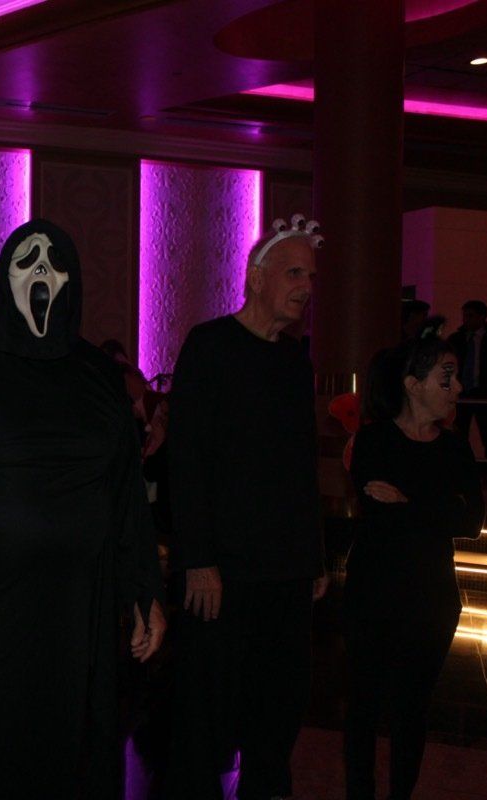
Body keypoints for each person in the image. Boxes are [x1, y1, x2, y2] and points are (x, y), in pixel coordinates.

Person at [0, 218, 166, 800]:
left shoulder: (99, 374)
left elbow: (125, 493)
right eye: (28, 259)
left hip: (76, 617)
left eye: (55, 260)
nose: (42, 269)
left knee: (66, 757)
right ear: (3, 276)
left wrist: (143, 590)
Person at [167, 214, 327, 800]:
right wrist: (198, 560)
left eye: (310, 276)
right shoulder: (209, 346)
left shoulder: (296, 361)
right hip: (223, 572)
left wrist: (314, 556)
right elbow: (187, 461)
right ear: (256, 278)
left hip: (286, 570)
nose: (305, 287)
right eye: (293, 273)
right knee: (206, 711)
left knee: (278, 708)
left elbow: (302, 467)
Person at [344, 336, 484, 800]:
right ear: (413, 384)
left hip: (433, 599)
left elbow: (472, 521)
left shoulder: (455, 448)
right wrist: (436, 508)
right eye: (447, 377)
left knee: (413, 709)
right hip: (373, 592)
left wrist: (407, 501)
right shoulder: (374, 440)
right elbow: (380, 511)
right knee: (363, 706)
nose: (458, 387)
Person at [447, 300, 487, 482]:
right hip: (462, 393)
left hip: (484, 393)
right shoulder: (456, 340)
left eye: (470, 316)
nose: (466, 320)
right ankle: (460, 475)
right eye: (464, 316)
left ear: (482, 317)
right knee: (459, 435)